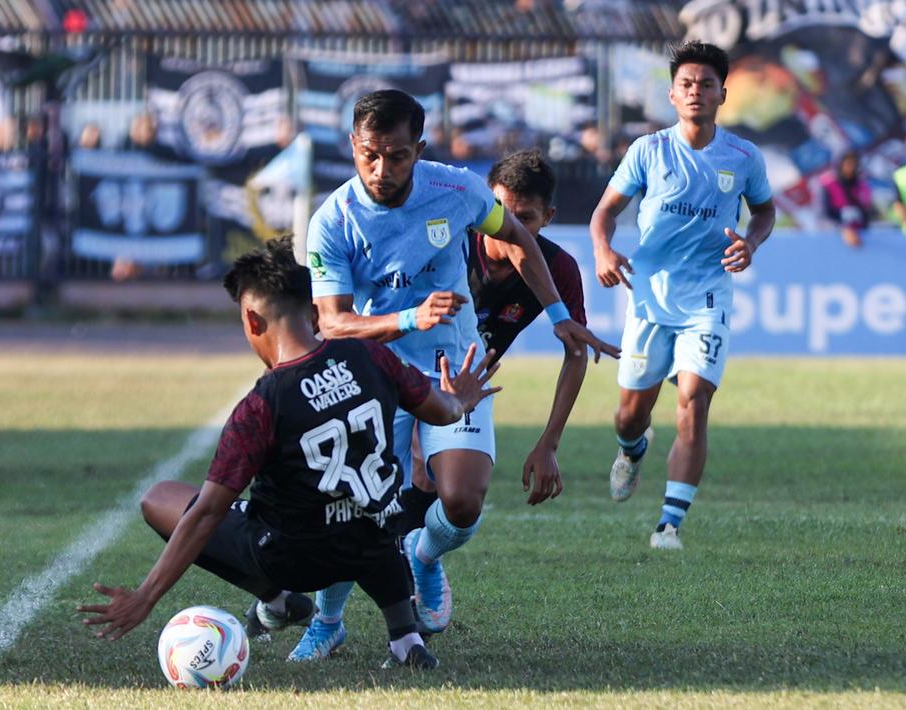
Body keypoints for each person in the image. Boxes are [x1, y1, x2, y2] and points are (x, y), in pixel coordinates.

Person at [290, 89, 612, 660]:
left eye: (396, 155)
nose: (381, 169)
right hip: (376, 374)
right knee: (359, 504)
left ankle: (423, 556)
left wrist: (560, 315)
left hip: (454, 371)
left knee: (462, 503)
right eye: (369, 154)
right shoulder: (332, 221)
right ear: (352, 147)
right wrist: (410, 316)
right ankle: (328, 618)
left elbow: (517, 236)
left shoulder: (457, 189)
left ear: (418, 150)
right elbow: (334, 323)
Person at [78, 237, 499, 670]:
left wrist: (146, 597)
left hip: (295, 561)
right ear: (315, 314)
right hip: (375, 538)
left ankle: (278, 602)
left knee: (161, 497)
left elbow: (206, 514)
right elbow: (441, 410)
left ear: (252, 320)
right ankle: (404, 637)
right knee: (367, 517)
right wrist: (461, 402)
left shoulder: (262, 405)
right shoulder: (370, 354)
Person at [590, 41, 776, 551]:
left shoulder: (742, 157)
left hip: (708, 298)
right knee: (631, 413)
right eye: (687, 84)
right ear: (672, 94)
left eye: (707, 85)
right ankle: (632, 450)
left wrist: (752, 242)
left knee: (694, 402)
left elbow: (763, 211)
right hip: (650, 298)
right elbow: (603, 212)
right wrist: (604, 251)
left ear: (723, 94)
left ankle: (669, 524)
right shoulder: (648, 150)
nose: (696, 92)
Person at [399, 149, 592, 531]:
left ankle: (419, 558)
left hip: (466, 381)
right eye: (501, 212)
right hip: (407, 366)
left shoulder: (556, 268)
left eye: (525, 219)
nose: (508, 227)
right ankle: (408, 566)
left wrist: (548, 443)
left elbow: (576, 353)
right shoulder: (450, 243)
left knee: (454, 496)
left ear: (547, 218)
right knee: (402, 475)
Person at [818, 150, 872, 248]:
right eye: (848, 163)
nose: (851, 167)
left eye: (854, 164)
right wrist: (843, 228)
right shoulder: (828, 184)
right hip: (835, 234)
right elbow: (825, 213)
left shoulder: (861, 185)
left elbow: (866, 213)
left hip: (859, 235)